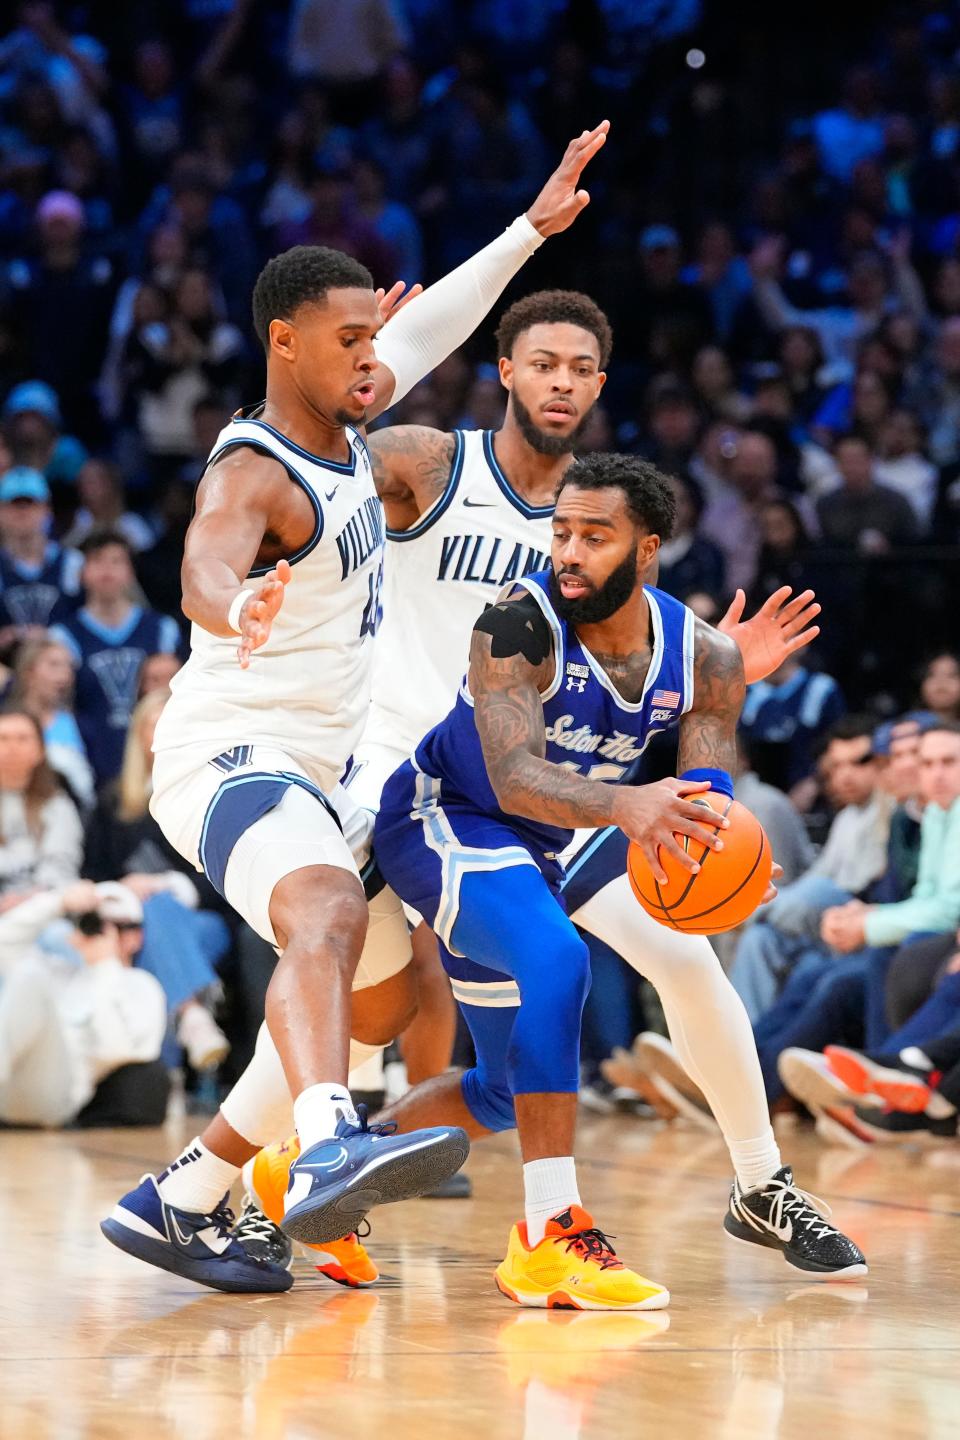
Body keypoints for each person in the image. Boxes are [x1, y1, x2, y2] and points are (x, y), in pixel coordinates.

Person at [101, 123, 613, 1295]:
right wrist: (233, 610)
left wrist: (529, 233)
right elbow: (201, 562)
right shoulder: (256, 467)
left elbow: (425, 330)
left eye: (376, 337)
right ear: (284, 345)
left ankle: (180, 1200)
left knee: (380, 999)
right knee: (324, 913)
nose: (376, 356)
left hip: (328, 774)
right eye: (349, 341)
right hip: (227, 753)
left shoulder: (355, 425)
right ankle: (332, 1144)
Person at [242, 288, 833, 1292]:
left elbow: (679, 721)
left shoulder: (619, 541)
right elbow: (313, 462)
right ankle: (529, 1226)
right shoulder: (434, 465)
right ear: (505, 370)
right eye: (542, 363)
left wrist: (710, 772)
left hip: (557, 800)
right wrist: (357, 366)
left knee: (608, 1017)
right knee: (397, 980)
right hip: (426, 776)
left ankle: (758, 1181)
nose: (560, 382)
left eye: (579, 368)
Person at [370, 453, 865, 1306]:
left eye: (594, 537)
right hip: (461, 817)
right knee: (557, 959)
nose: (568, 551)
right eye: (561, 531)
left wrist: (721, 852)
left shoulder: (707, 657)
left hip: (581, 829)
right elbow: (518, 775)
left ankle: (761, 1187)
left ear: (647, 551)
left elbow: (704, 793)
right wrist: (634, 807)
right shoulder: (516, 623)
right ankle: (549, 1230)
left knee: (539, 1062)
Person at [83, 689, 232, 1073]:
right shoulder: (111, 802)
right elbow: (92, 874)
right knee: (149, 927)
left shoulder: (211, 795)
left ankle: (167, 1068)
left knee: (159, 908)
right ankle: (193, 1018)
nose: (165, 732)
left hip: (204, 922)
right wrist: (126, 893)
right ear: (139, 736)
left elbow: (228, 878)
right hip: (130, 925)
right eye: (154, 725)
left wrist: (168, 886)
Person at [729, 717, 893, 1020]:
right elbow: (816, 878)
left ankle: (740, 914)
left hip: (865, 911)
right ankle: (739, 1045)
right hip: (822, 918)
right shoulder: (848, 816)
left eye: (859, 763)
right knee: (759, 940)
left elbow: (854, 884)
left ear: (882, 764)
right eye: (837, 766)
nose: (845, 775)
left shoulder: (890, 805)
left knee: (814, 894)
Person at [0, 878, 166, 1128]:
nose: (96, 931)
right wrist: (58, 902)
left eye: (113, 926)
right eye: (91, 922)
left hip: (58, 1096)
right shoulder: (59, 973)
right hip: (11, 1082)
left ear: (135, 937)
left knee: (30, 974)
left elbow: (115, 1052)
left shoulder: (143, 986)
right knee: (28, 972)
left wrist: (105, 967)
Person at [50, 530, 181, 785]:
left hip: (157, 760)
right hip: (91, 758)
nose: (106, 570)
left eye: (116, 561)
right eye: (97, 560)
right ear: (82, 572)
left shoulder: (162, 629)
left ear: (131, 572)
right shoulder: (62, 636)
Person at [0, 707, 83, 911]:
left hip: (40, 910)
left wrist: (25, 900)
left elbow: (61, 868)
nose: (12, 747)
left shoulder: (58, 805)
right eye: (3, 738)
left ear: (40, 750)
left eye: (22, 739)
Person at [9, 635, 94, 808]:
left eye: (69, 667)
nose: (65, 676)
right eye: (54, 665)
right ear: (28, 672)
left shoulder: (81, 725)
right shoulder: (7, 722)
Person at [0, 467, 82, 643]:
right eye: (14, 505)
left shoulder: (73, 563)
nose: (22, 512)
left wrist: (53, 636)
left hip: (63, 662)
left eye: (30, 503)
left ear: (47, 509)